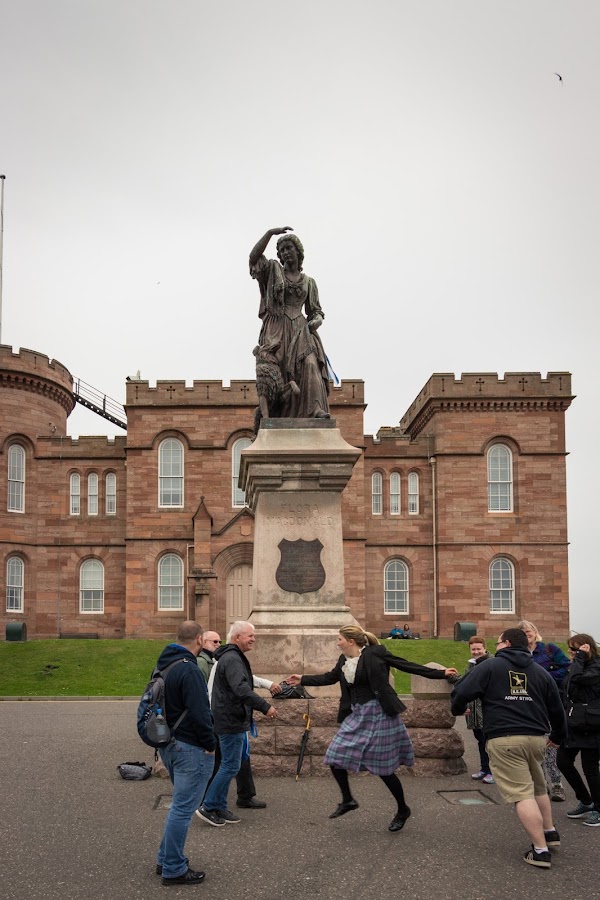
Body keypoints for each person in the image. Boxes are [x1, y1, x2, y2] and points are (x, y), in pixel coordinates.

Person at [286, 625, 458, 832]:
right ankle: (348, 800)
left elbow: (407, 666)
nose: (337, 642)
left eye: (340, 639)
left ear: (351, 641)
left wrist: (440, 673)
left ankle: (402, 809)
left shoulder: (376, 654)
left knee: (383, 768)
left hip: (380, 713)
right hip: (357, 714)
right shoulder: (344, 660)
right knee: (334, 756)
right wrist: (302, 679)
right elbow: (329, 678)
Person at [451, 628, 567, 869]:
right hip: (536, 737)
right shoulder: (540, 671)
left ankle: (540, 850)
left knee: (521, 794)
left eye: (497, 642)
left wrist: (456, 708)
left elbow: (462, 691)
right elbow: (556, 707)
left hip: (504, 738)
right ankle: (550, 832)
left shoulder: (490, 666)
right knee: (538, 787)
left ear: (505, 643)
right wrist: (558, 735)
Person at [154, 621, 216, 886]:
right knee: (182, 808)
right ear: (200, 639)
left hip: (168, 743)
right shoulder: (189, 669)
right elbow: (201, 712)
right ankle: (173, 868)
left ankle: (164, 858)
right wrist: (211, 743)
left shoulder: (164, 664)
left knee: (179, 807)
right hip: (189, 747)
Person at [197, 621, 277, 827]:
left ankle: (220, 806)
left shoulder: (232, 657)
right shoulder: (232, 659)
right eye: (250, 635)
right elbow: (241, 689)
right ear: (237, 637)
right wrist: (265, 706)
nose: (253, 639)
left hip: (234, 719)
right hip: (229, 720)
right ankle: (209, 805)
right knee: (230, 765)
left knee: (233, 763)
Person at [249, 226, 330, 420]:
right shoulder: (272, 271)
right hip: (276, 328)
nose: (285, 252)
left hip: (301, 329)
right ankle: (274, 417)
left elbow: (316, 311)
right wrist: (269, 233)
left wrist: (316, 321)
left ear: (298, 252)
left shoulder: (309, 282)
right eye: (282, 249)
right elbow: (253, 258)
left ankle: (314, 409)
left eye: (289, 248)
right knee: (274, 373)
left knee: (310, 364)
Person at [518, 619, 570, 802]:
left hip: (549, 702)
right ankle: (541, 786)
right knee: (534, 746)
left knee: (549, 746)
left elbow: (567, 667)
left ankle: (557, 785)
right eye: (523, 632)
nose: (527, 633)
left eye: (529, 630)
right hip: (529, 705)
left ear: (535, 631)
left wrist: (546, 676)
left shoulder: (550, 649)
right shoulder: (519, 654)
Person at [557, 633, 600, 826]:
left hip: (592, 725)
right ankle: (586, 800)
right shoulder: (578, 665)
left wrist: (580, 658)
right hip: (573, 723)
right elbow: (567, 689)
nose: (570, 653)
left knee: (590, 768)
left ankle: (598, 808)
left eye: (573, 650)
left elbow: (577, 679)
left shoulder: (596, 667)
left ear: (586, 648)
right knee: (563, 762)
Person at [451, 635, 494, 784]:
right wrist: (453, 677)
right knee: (481, 741)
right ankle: (484, 769)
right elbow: (467, 685)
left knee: (489, 743)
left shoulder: (491, 663)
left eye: (478, 649)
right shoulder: (471, 665)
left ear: (485, 648)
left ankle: (493, 772)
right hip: (474, 711)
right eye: (473, 649)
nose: (476, 652)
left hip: (487, 711)